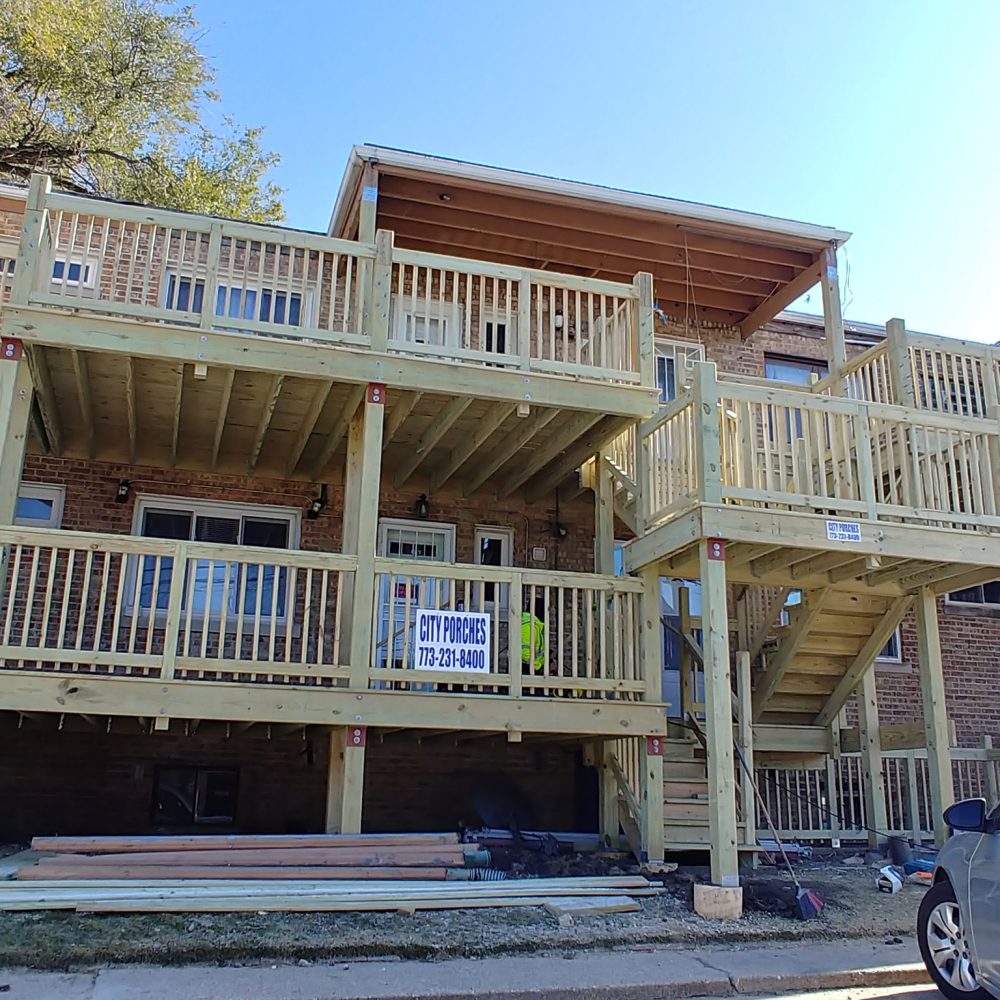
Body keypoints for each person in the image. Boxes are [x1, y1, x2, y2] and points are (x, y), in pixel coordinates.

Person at [520, 594, 546, 677]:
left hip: (530, 669)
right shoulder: (529, 626)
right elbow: (525, 653)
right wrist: (537, 667)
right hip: (526, 671)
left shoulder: (535, 625)